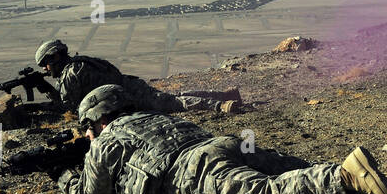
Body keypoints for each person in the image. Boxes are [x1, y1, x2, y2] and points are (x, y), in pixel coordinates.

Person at [58, 84, 387, 194]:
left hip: (192, 170)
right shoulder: (150, 117)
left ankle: (346, 178)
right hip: (222, 144)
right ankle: (355, 176)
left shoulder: (105, 143)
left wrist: (67, 182)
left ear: (96, 121)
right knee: (284, 167)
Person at [33, 39, 244, 114]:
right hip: (129, 87)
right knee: (171, 97)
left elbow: (68, 106)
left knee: (174, 103)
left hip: (129, 96)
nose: (45, 69)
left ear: (56, 57)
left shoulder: (71, 74)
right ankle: (224, 95)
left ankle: (221, 106)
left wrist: (42, 102)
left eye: (46, 64)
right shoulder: (81, 62)